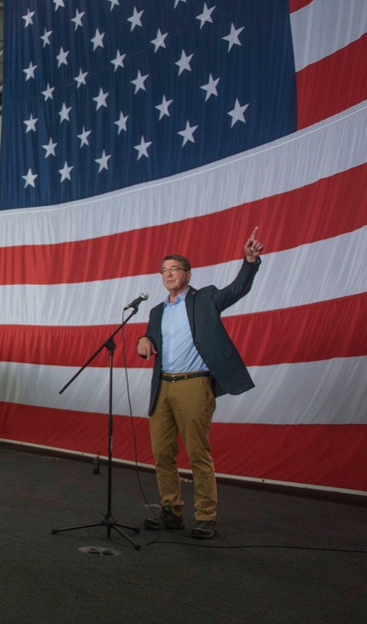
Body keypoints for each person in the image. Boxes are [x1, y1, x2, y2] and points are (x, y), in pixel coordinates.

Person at [136, 228, 265, 540]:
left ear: (187, 273)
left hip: (194, 385)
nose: (168, 274)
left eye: (174, 269)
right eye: (163, 270)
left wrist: (249, 261)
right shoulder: (156, 311)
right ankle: (171, 511)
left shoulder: (205, 298)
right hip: (162, 387)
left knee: (197, 453)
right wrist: (143, 338)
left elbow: (237, 289)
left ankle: (206, 516)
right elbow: (153, 338)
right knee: (163, 453)